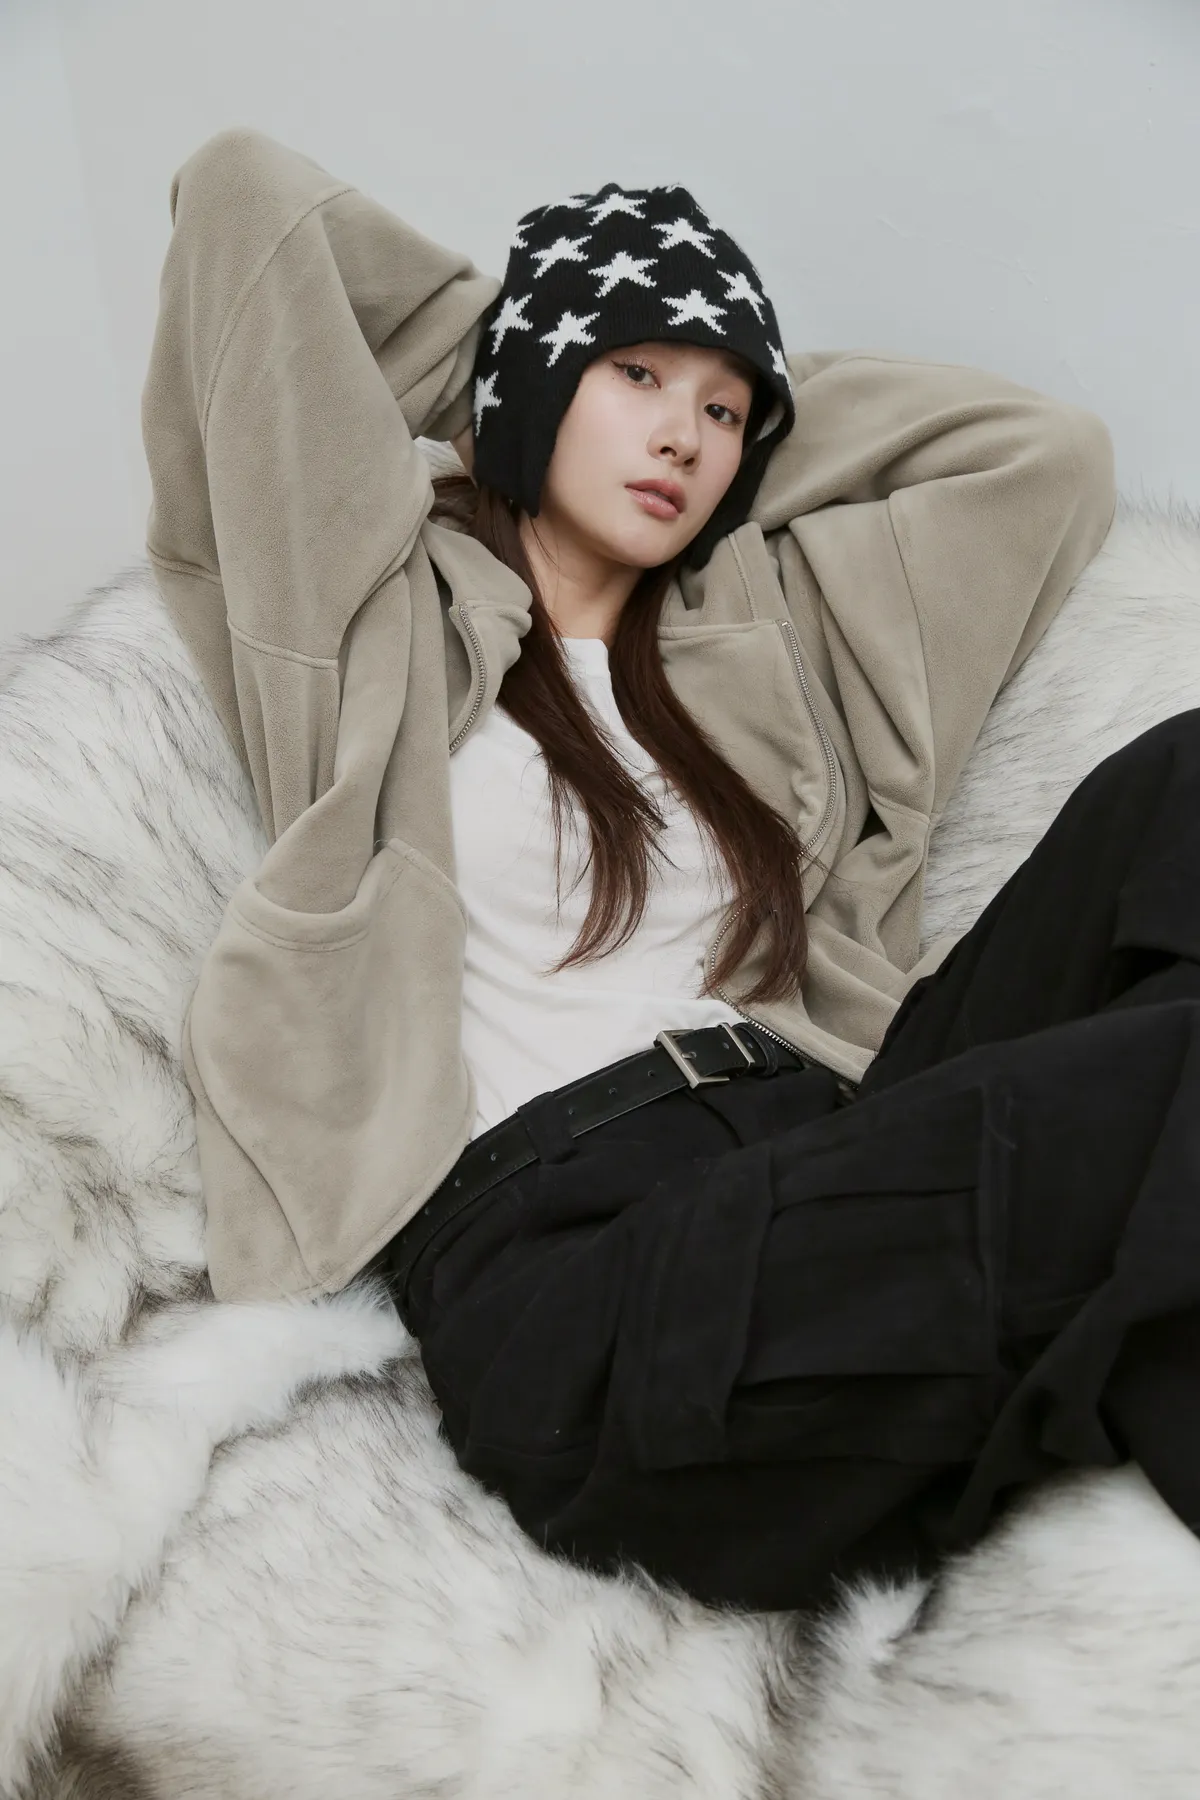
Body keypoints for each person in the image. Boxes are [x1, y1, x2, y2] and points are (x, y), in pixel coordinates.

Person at [142, 128, 1200, 1615]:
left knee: (1185, 777)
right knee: (1159, 1079)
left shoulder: (766, 644)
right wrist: (511, 380)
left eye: (722, 409)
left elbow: (1046, 458)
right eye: (634, 372)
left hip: (817, 1143)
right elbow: (244, 198)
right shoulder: (368, 617)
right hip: (587, 1286)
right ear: (532, 372)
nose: (684, 436)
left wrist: (733, 415)